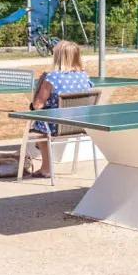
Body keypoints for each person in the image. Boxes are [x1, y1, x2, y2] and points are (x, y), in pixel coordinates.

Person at [28, 41, 93, 178]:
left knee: (41, 132)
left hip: (57, 124)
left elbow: (37, 105)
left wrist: (41, 82)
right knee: (43, 125)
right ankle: (45, 167)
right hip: (80, 123)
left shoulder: (51, 77)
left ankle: (46, 169)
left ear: (58, 57)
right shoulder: (84, 75)